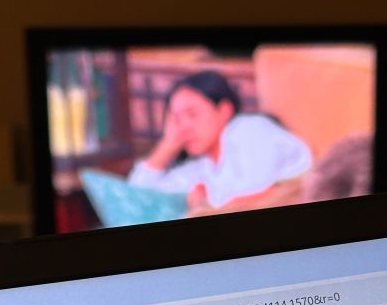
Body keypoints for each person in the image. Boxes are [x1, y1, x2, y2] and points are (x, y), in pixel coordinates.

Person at [129, 69, 313, 212]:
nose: (183, 127)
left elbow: (249, 197)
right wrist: (168, 144)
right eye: (175, 120)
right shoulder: (201, 166)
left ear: (224, 110)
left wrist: (201, 203)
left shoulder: (249, 129)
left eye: (192, 114)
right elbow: (136, 199)